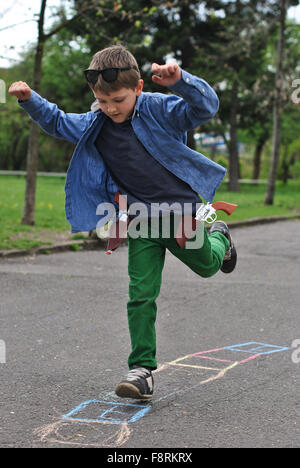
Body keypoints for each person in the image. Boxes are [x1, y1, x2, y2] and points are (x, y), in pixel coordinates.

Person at [9, 44, 237, 400]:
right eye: (103, 100)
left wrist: (181, 82)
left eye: (118, 99)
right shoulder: (96, 122)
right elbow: (57, 121)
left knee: (208, 266)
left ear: (139, 88)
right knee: (140, 295)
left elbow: (205, 107)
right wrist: (29, 99)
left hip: (181, 216)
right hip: (141, 220)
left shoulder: (161, 109)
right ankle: (142, 370)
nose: (111, 108)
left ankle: (220, 237)